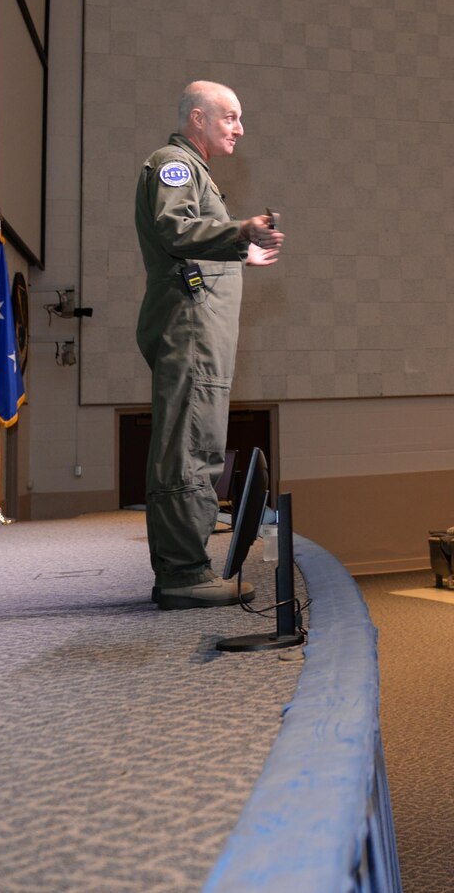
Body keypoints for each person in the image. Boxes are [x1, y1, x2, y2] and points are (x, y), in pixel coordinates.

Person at [135, 80, 283, 609]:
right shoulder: (172, 165)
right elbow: (176, 231)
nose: (240, 128)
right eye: (230, 117)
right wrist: (239, 230)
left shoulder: (198, 175)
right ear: (198, 118)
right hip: (192, 331)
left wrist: (240, 253)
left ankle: (186, 565)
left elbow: (195, 249)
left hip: (203, 334)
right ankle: (182, 574)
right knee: (188, 449)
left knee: (199, 444)